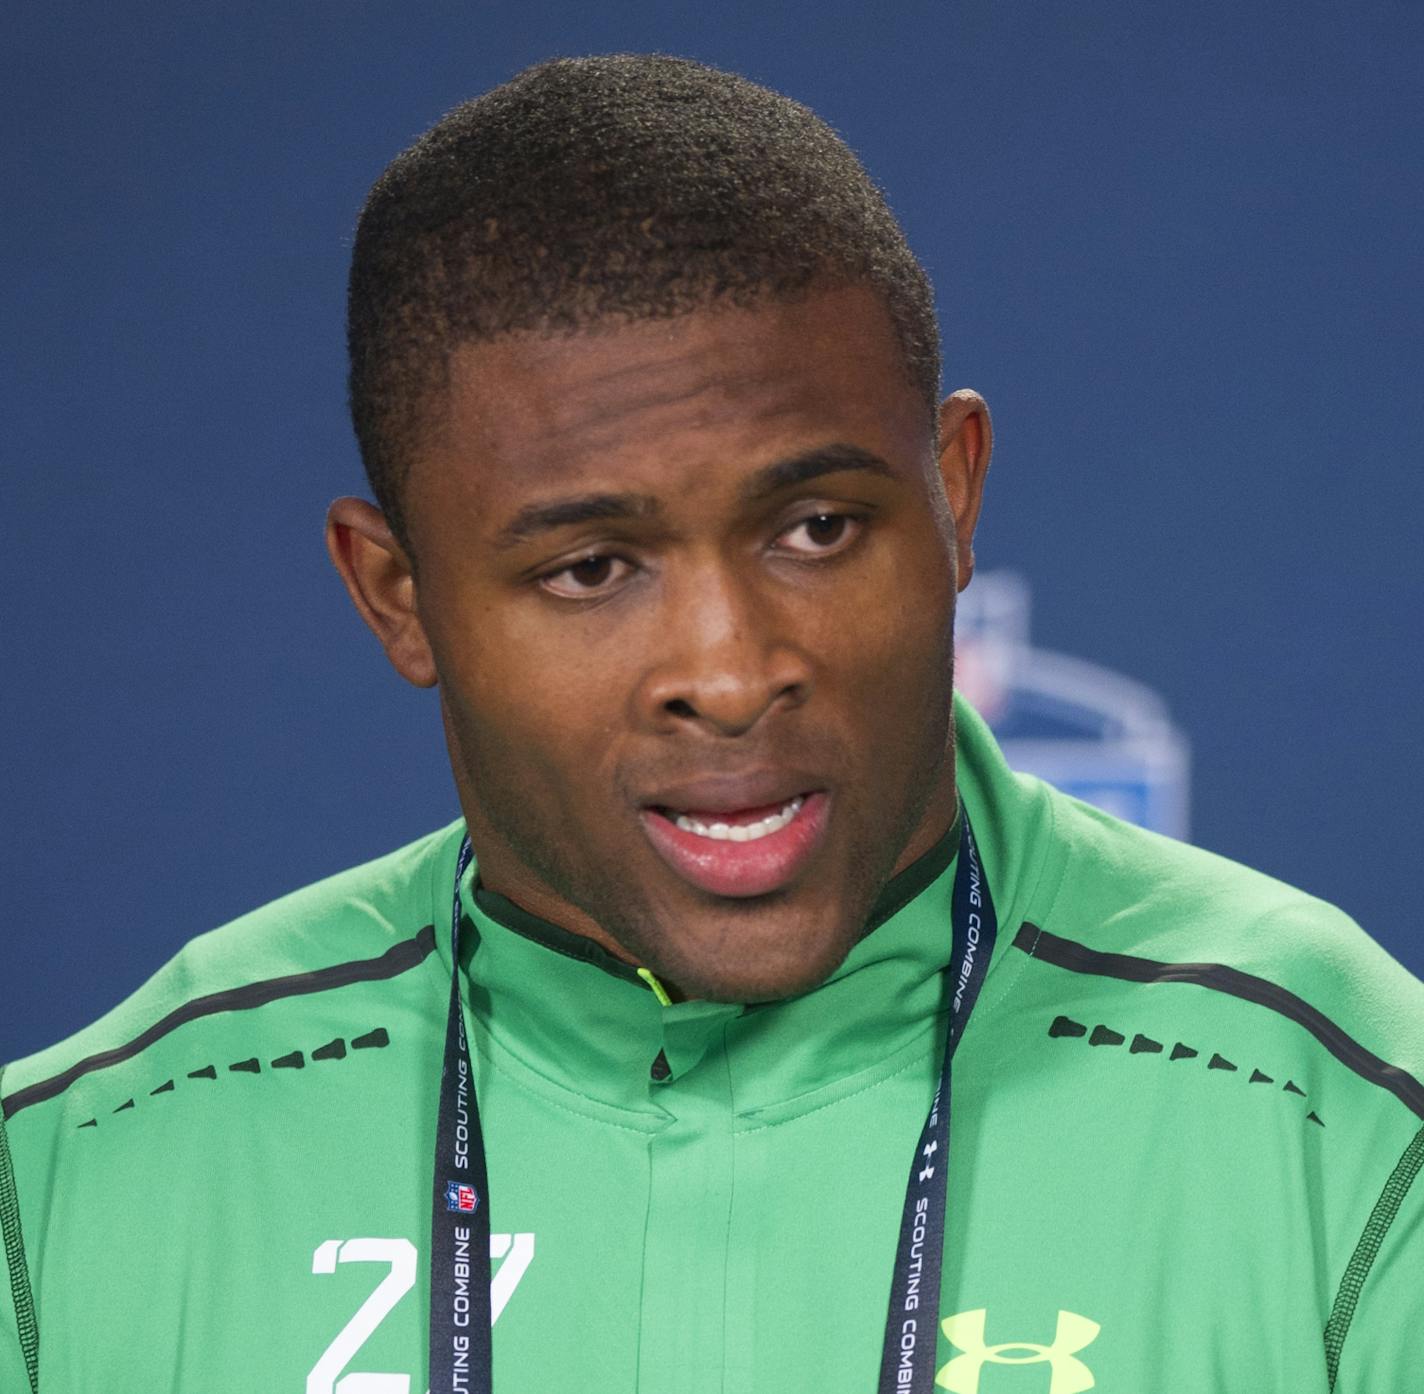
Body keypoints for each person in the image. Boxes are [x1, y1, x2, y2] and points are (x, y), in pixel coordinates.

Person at [1, 52, 1420, 1394]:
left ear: (955, 496)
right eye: (590, 568)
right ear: (398, 594)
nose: (732, 672)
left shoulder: (1351, 1134)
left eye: (816, 526)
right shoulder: (65, 1193)